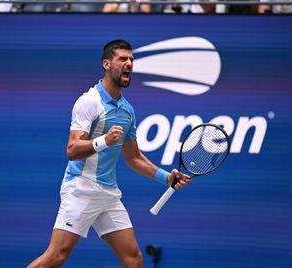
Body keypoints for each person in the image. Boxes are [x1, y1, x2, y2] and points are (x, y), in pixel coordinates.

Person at [27, 39, 192, 268]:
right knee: (57, 256)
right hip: (81, 189)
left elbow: (133, 157)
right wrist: (103, 141)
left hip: (108, 194)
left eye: (131, 60)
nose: (129, 64)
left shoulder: (127, 111)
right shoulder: (89, 102)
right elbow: (72, 150)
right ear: (106, 64)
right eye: (122, 59)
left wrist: (167, 177)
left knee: (133, 259)